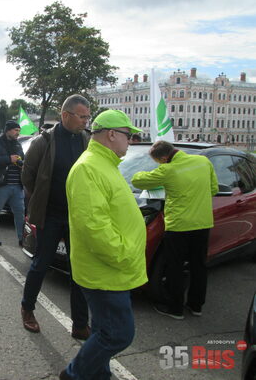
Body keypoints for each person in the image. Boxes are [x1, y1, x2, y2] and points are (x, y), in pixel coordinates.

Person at [60, 110, 147, 380]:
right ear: (111, 134)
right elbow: (93, 226)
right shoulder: (89, 167)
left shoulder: (104, 164)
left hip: (110, 269)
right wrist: (123, 255)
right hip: (106, 271)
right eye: (128, 135)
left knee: (103, 331)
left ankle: (99, 376)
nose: (130, 141)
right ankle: (74, 375)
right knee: (118, 334)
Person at [20, 94, 91, 339]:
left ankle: (80, 324)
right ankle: (27, 309)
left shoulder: (85, 139)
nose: (86, 121)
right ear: (65, 115)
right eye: (82, 116)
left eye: (87, 117)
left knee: (79, 270)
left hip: (76, 216)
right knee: (40, 265)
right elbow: (27, 176)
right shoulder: (44, 142)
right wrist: (41, 201)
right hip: (51, 216)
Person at [131, 140, 218, 319]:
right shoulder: (204, 162)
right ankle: (196, 306)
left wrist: (147, 171)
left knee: (175, 267)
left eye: (159, 162)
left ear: (164, 158)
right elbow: (214, 189)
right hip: (202, 224)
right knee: (199, 266)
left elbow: (137, 181)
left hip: (178, 226)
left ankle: (175, 309)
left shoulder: (167, 170)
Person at [0, 120, 25, 246]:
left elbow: (22, 159)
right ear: (8, 130)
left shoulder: (18, 145)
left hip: (17, 186)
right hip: (1, 184)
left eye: (19, 131)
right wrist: (8, 159)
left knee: (20, 213)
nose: (17, 133)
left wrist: (21, 163)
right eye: (15, 130)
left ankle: (22, 238)